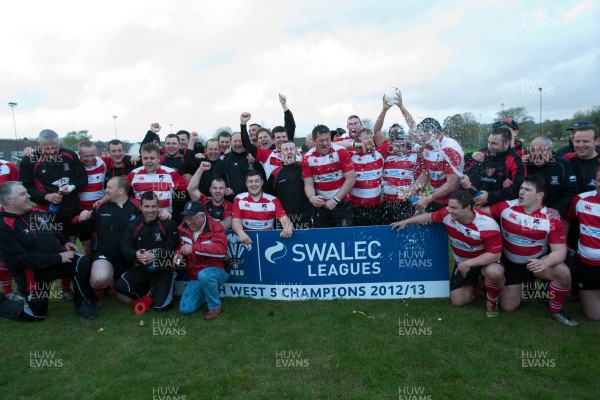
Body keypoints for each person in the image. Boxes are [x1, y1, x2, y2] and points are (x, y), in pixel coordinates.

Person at [481, 175, 578, 327]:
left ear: (539, 195)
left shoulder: (551, 218)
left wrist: (544, 261)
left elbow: (559, 252)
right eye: (521, 188)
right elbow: (478, 213)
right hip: (511, 264)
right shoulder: (507, 206)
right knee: (508, 307)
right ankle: (494, 284)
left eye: (527, 190)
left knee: (563, 271)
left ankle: (555, 310)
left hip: (536, 263)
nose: (521, 192)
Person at [392, 190, 505, 316]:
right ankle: (479, 282)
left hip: (484, 262)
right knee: (458, 301)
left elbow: (495, 254)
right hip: (462, 262)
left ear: (467, 207)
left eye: (453, 207)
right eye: (448, 206)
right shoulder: (447, 214)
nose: (448, 210)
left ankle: (492, 300)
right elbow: (429, 216)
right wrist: (406, 221)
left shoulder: (488, 225)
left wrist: (469, 263)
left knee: (495, 272)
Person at [0, 181, 98, 320]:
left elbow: (54, 228)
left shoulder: (37, 212)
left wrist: (65, 241)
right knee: (37, 315)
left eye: (27, 192)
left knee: (81, 261)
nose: (29, 196)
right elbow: (20, 260)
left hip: (56, 262)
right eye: (23, 194)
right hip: (34, 275)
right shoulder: (3, 226)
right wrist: (59, 257)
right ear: (8, 200)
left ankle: (83, 301)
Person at [19, 129, 88, 300]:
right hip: (46, 215)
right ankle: (39, 291)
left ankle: (66, 288)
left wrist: (70, 188)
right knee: (48, 250)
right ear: (38, 145)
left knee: (70, 247)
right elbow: (26, 187)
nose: (51, 151)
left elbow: (82, 179)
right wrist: (45, 196)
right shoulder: (29, 160)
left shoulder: (69, 156)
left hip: (70, 211)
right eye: (46, 148)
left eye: (54, 147)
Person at [75, 176, 142, 302]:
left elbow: (152, 220)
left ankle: (114, 283)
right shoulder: (100, 206)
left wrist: (164, 214)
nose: (106, 190)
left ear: (121, 190)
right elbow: (84, 227)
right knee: (99, 278)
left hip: (128, 257)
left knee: (128, 300)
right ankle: (96, 295)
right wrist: (80, 219)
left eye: (109, 187)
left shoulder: (137, 206)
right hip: (105, 254)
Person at [117, 191, 179, 312]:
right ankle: (148, 291)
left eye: (153, 206)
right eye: (146, 206)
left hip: (163, 268)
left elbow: (173, 247)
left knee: (161, 307)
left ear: (158, 206)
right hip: (142, 267)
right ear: (141, 207)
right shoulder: (133, 224)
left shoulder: (168, 223)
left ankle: (164, 286)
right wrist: (136, 254)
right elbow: (125, 247)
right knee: (120, 286)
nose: (150, 210)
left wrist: (155, 255)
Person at [175, 201, 228, 320]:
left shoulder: (216, 227)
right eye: (186, 218)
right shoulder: (184, 226)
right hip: (195, 276)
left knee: (204, 275)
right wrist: (179, 254)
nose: (188, 222)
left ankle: (215, 307)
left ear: (202, 216)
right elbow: (182, 245)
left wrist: (193, 248)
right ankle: (206, 292)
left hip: (217, 271)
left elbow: (221, 250)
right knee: (185, 309)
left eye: (191, 218)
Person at [302, 124, 356, 228]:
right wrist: (312, 198)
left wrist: (335, 200)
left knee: (344, 238)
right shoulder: (307, 157)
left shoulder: (341, 151)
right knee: (323, 240)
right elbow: (308, 184)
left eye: (328, 140)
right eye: (322, 141)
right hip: (321, 205)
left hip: (342, 203)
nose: (326, 143)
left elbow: (351, 178)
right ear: (314, 140)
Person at [565, 166, 600, 320]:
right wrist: (563, 241)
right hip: (588, 265)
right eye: (599, 180)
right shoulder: (580, 199)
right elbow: (567, 219)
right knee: (593, 316)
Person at [461, 127, 526, 207]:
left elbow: (518, 188)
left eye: (494, 143)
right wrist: (471, 155)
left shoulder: (515, 160)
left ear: (507, 143)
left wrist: (489, 197)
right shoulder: (483, 153)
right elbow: (463, 160)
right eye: (488, 142)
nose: (490, 146)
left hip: (499, 206)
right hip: (475, 202)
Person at [412, 118, 464, 212]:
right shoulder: (427, 145)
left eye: (422, 136)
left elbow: (451, 184)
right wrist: (414, 188)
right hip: (436, 198)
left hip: (453, 202)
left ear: (434, 133)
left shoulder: (449, 149)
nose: (420, 140)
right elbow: (425, 174)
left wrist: (428, 199)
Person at [231, 171, 293, 244]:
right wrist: (240, 232)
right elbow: (235, 221)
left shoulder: (273, 200)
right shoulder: (239, 199)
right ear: (246, 184)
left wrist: (288, 227)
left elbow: (285, 220)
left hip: (268, 240)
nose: (254, 184)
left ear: (262, 182)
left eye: (257, 181)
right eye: (250, 182)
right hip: (246, 240)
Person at [524, 137, 578, 219]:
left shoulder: (563, 165)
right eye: (533, 150)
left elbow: (572, 190)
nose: (537, 154)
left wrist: (558, 208)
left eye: (541, 150)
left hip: (554, 215)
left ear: (550, 151)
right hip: (527, 213)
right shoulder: (523, 165)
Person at [127, 143, 188, 213]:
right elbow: (123, 195)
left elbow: (189, 188)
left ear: (159, 158)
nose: (149, 161)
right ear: (141, 159)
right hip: (142, 219)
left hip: (165, 219)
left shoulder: (170, 173)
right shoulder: (134, 174)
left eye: (152, 158)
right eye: (145, 158)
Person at [271, 141, 313, 229]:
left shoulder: (305, 168)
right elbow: (271, 197)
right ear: (281, 153)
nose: (289, 151)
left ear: (296, 151)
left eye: (292, 149)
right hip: (284, 219)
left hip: (305, 217)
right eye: (286, 149)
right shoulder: (275, 173)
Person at [348, 128, 384, 226]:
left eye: (371, 138)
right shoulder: (351, 156)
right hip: (357, 208)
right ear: (358, 142)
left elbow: (379, 129)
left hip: (376, 207)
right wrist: (357, 145)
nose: (369, 140)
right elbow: (334, 145)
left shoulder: (379, 154)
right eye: (366, 138)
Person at [212, 132, 263, 201]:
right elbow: (216, 177)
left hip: (253, 202)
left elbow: (263, 178)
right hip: (231, 201)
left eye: (240, 141)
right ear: (230, 143)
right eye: (235, 141)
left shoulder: (254, 157)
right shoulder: (224, 159)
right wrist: (225, 187)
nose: (238, 143)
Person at [187, 162, 234, 229]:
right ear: (210, 190)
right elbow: (191, 189)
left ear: (225, 190)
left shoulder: (229, 205)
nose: (218, 191)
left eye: (221, 188)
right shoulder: (204, 201)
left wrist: (205, 227)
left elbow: (227, 223)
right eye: (215, 188)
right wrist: (200, 169)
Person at [0, 159, 19, 298]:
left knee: (5, 256)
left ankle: (9, 292)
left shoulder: (8, 166)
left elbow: (18, 192)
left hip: (6, 220)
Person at [568, 124, 600, 194]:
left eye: (585, 141)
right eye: (577, 141)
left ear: (597, 141)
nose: (580, 145)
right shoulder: (567, 162)